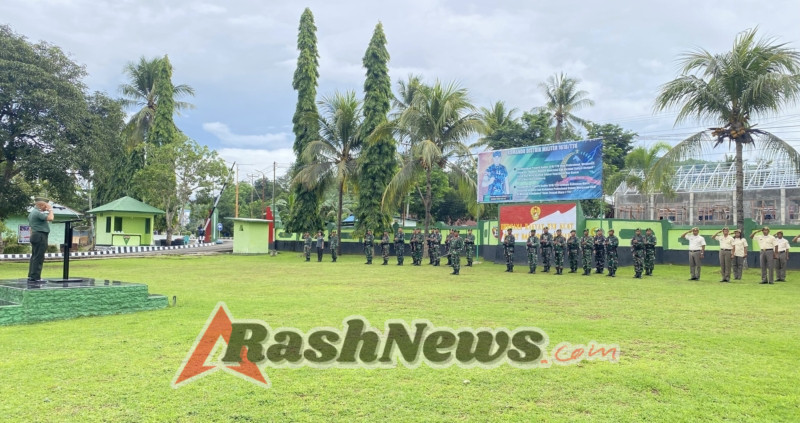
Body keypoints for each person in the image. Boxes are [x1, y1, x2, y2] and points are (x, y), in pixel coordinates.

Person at [27, 201, 54, 283]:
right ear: (41, 205)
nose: (46, 208)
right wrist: (50, 210)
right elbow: (51, 218)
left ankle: (31, 275)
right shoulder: (37, 213)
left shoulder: (32, 213)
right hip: (40, 236)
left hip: (35, 235)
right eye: (45, 206)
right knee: (39, 256)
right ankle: (35, 277)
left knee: (35, 256)